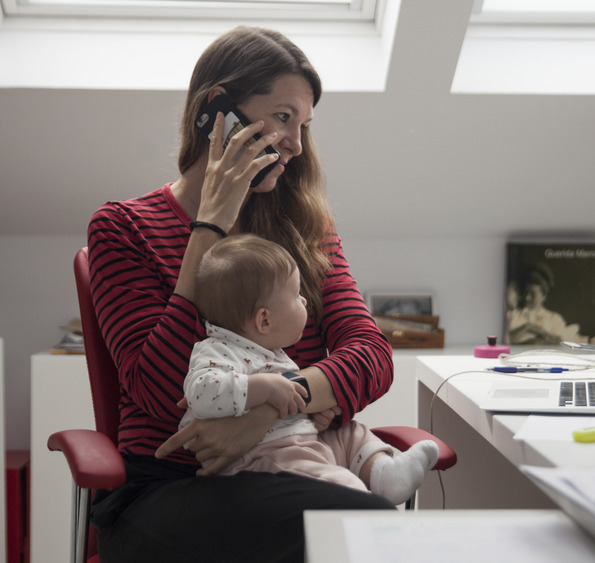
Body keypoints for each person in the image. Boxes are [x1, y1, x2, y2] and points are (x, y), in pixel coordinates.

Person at [86, 26, 401, 562]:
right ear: (217, 110)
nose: (296, 144)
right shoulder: (123, 227)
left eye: (303, 125)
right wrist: (207, 228)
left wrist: (264, 414)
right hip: (171, 487)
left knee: (358, 528)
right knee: (361, 529)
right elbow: (157, 392)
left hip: (294, 466)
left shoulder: (307, 227)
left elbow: (372, 356)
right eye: (282, 117)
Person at [183, 234, 438, 504]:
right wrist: (265, 388)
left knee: (350, 432)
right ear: (264, 320)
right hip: (263, 459)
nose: (305, 301)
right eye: (296, 295)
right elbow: (200, 393)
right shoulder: (218, 350)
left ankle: (384, 474)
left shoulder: (270, 350)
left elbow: (369, 351)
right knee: (339, 485)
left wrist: (313, 413)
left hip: (297, 440)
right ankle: (358, 497)